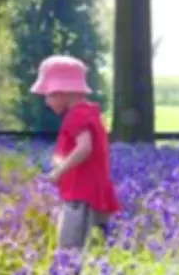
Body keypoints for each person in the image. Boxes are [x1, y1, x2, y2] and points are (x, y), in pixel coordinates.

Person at [30, 55, 120, 250]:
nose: (46, 102)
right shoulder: (89, 113)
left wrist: (58, 171)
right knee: (94, 250)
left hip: (80, 195)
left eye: (49, 95)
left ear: (63, 92)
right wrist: (59, 160)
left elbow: (84, 148)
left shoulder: (76, 116)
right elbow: (78, 150)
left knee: (70, 249)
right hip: (94, 193)